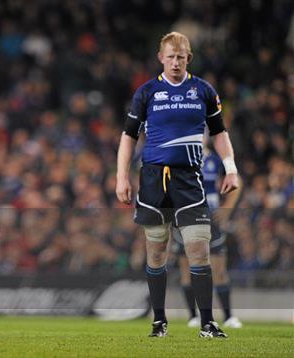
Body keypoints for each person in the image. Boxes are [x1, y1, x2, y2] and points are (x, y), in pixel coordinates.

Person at [116, 32, 239, 338]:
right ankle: (159, 321)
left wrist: (230, 168)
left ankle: (208, 322)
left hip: (189, 180)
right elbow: (128, 136)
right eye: (170, 56)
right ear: (161, 58)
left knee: (199, 250)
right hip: (154, 180)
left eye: (180, 57)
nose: (175, 62)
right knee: (157, 253)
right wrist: (121, 176)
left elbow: (220, 133)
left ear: (188, 58)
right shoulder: (146, 92)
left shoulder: (203, 90)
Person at [171, 141, 243, 329]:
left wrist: (227, 209)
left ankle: (228, 317)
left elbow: (237, 181)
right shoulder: (180, 156)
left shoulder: (216, 158)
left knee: (219, 270)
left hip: (212, 220)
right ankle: (193, 317)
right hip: (187, 219)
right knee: (187, 270)